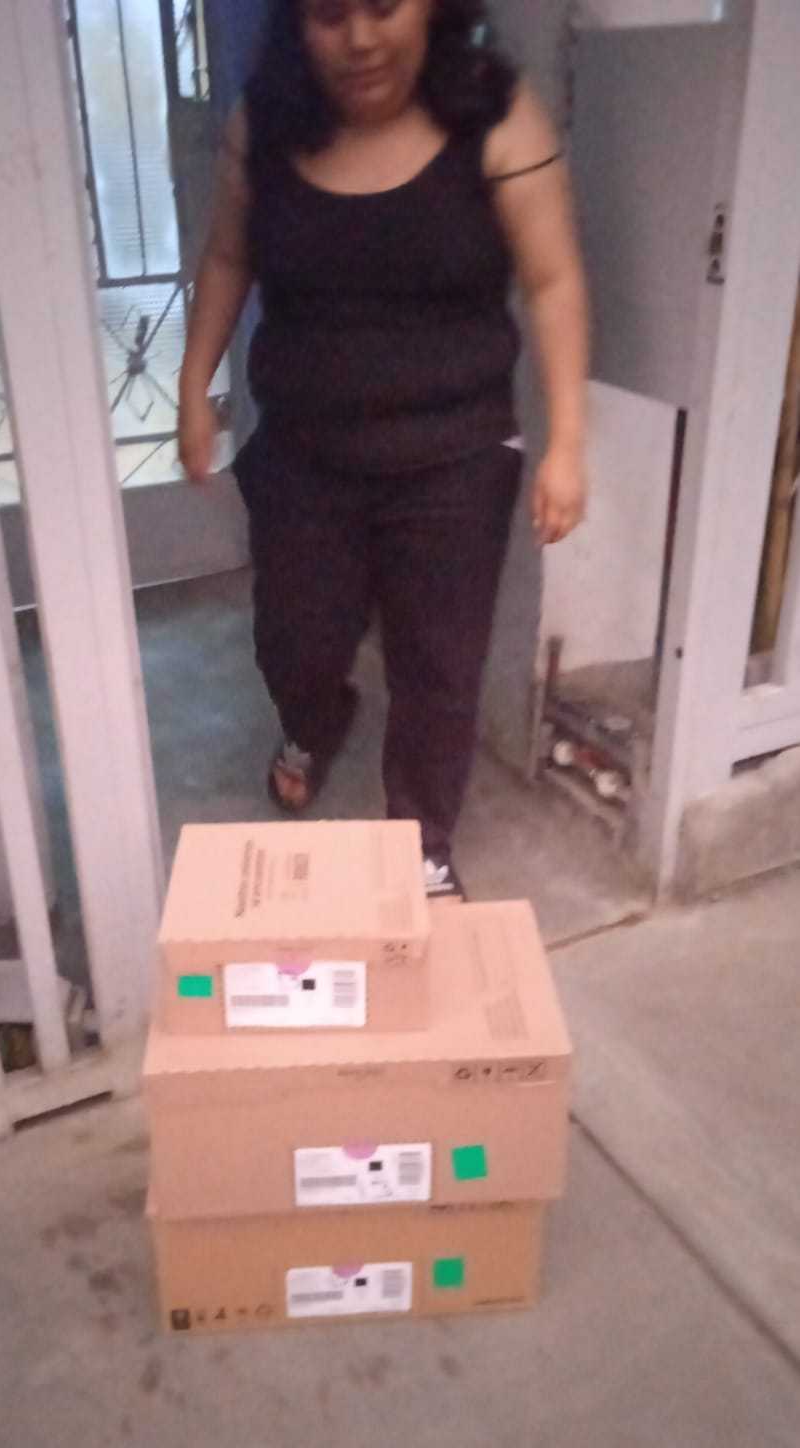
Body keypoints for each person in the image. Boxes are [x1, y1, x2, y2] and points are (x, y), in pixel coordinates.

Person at [179, 0, 588, 897]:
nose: (360, 39)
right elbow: (227, 257)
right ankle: (316, 719)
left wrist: (567, 441)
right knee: (296, 641)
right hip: (304, 453)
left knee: (438, 668)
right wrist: (193, 383)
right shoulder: (267, 122)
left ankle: (422, 841)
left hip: (456, 458)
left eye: (384, 7)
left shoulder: (495, 114)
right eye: (330, 14)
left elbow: (553, 278)